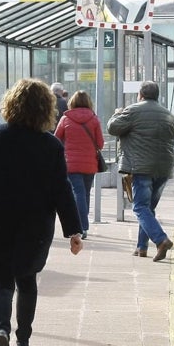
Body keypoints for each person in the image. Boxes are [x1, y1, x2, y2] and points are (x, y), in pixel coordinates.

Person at [0, 78, 83, 346]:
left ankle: (1, 331)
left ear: (11, 105)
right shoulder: (51, 145)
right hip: (35, 226)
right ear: (46, 108)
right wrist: (73, 230)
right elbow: (62, 190)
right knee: (27, 281)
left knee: (2, 282)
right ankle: (23, 345)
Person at [107, 80, 174, 261]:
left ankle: (161, 240)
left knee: (139, 207)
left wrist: (117, 114)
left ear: (141, 94)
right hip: (163, 168)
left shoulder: (132, 110)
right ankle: (141, 247)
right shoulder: (167, 114)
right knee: (148, 208)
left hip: (141, 167)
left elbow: (113, 128)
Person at [54, 89, 104, 239]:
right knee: (85, 193)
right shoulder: (94, 119)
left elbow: (56, 139)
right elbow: (100, 143)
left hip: (71, 163)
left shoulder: (65, 119)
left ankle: (82, 226)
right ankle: (83, 224)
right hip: (90, 164)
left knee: (78, 193)